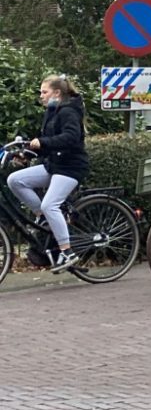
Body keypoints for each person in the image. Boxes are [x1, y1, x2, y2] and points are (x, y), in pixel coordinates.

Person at [7, 75, 90, 272]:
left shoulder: (69, 111)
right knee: (15, 180)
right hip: (54, 165)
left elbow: (70, 137)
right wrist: (27, 154)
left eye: (44, 92)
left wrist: (43, 142)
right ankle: (43, 217)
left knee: (50, 204)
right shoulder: (52, 112)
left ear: (57, 93)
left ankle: (67, 251)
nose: (41, 96)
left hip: (70, 167)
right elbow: (48, 143)